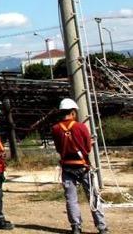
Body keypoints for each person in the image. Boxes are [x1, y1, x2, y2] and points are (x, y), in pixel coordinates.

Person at [52, 98, 109, 234]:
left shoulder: (55, 129)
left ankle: (76, 226)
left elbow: (59, 149)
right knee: (93, 196)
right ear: (73, 112)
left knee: (71, 199)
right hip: (83, 166)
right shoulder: (80, 126)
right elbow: (87, 149)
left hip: (67, 167)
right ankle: (101, 227)